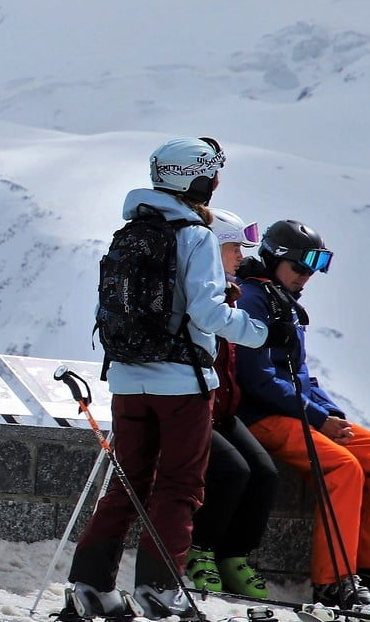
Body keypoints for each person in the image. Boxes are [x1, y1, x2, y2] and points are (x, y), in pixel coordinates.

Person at [63, 137, 269, 621]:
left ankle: (90, 585)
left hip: (127, 381)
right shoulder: (194, 235)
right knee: (179, 486)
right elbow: (204, 310)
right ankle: (160, 590)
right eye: (214, 172)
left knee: (127, 483)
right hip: (182, 384)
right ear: (198, 179)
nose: (217, 182)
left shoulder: (130, 232)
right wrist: (256, 330)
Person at [234, 220, 370, 614]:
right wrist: (315, 417)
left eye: (312, 270)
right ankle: (333, 581)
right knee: (341, 467)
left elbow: (301, 373)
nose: (306, 277)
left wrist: (331, 414)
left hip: (294, 409)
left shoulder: (282, 300)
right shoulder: (252, 299)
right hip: (260, 415)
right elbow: (257, 378)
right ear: (275, 260)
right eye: (299, 268)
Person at [184, 208, 277, 599]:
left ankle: (234, 555)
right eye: (233, 247)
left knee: (265, 473)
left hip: (222, 410)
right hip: (194, 406)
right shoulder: (204, 296)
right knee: (232, 471)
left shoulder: (230, 294)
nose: (241, 256)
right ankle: (200, 551)